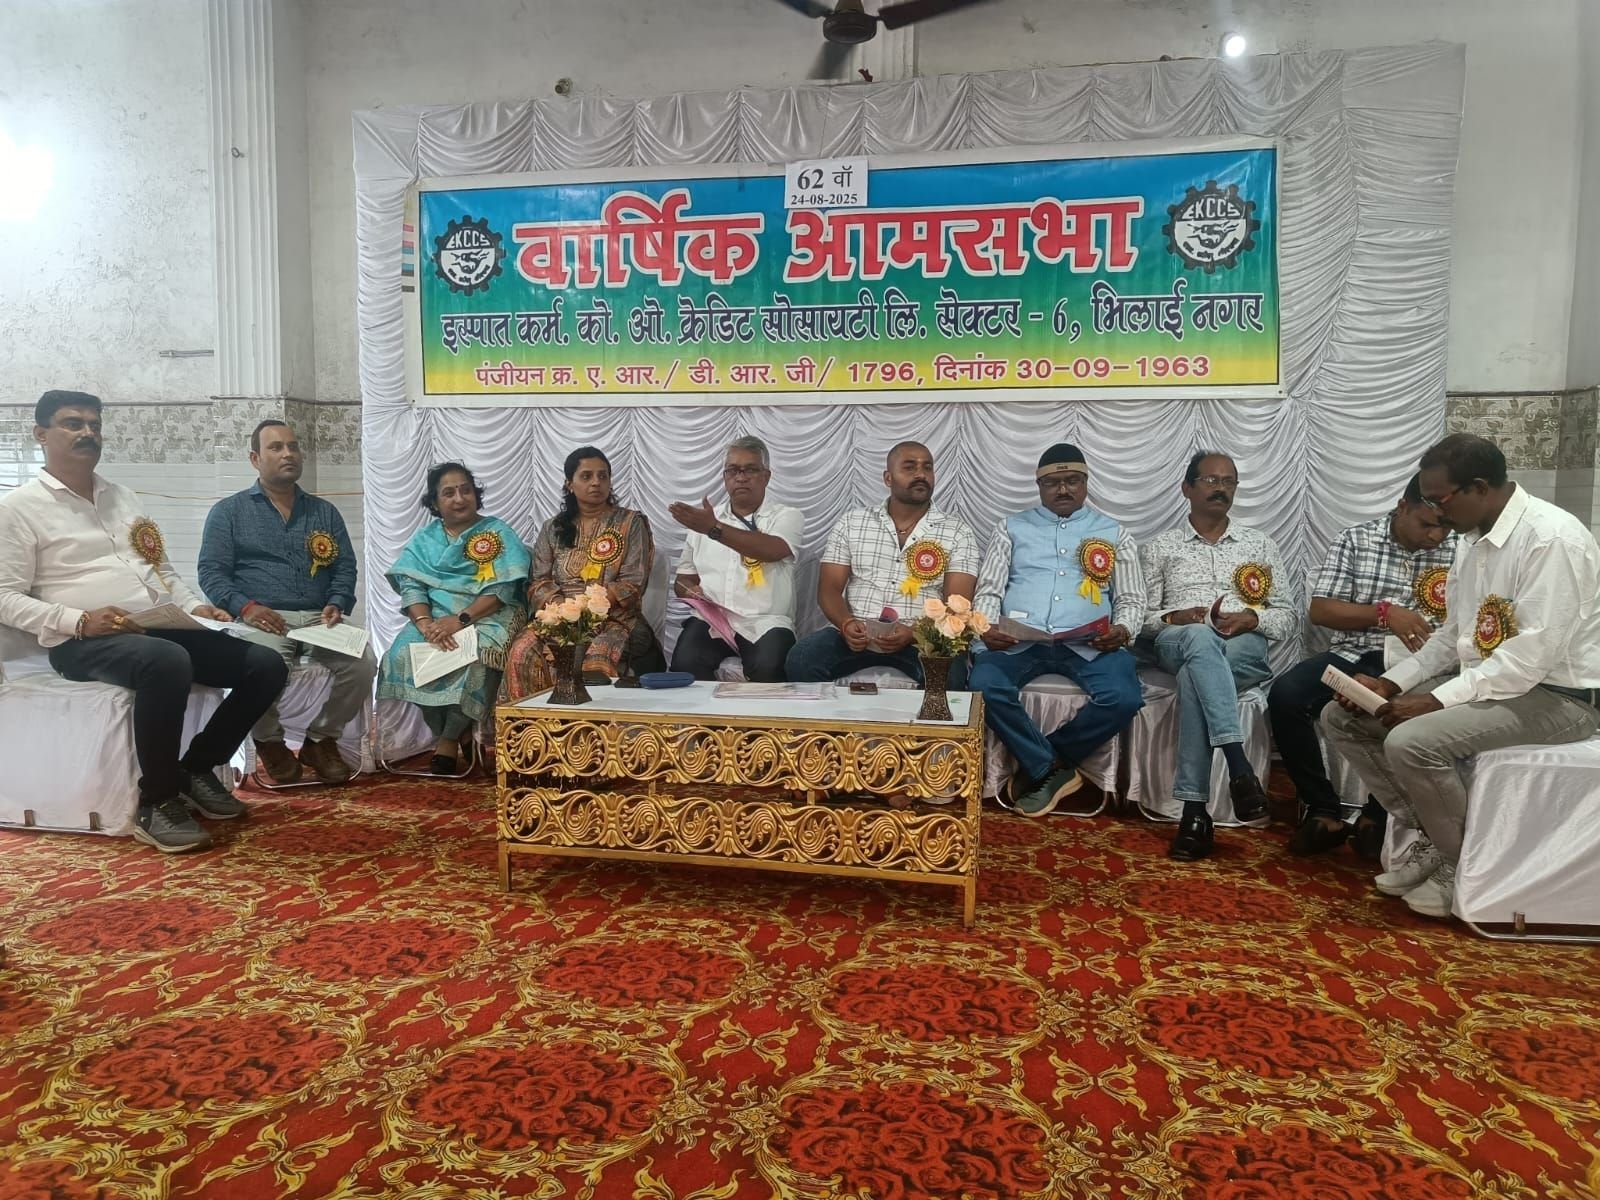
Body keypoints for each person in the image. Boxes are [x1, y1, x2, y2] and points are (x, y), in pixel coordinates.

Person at [1323, 434, 1600, 919]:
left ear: (1479, 487)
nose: (1435, 512)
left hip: (1559, 697)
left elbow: (1529, 660)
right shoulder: (1472, 541)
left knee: (1412, 741)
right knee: (1343, 717)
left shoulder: (1552, 539)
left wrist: (1436, 701)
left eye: (1440, 499)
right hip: (1494, 683)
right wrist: (1392, 684)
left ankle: (1460, 865)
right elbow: (1452, 636)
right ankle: (1437, 838)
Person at [0, 390, 287, 853]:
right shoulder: (18, 508)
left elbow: (161, 569)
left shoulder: (123, 497)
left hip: (156, 625)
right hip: (83, 640)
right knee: (166, 660)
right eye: (73, 424)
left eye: (94, 425)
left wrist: (194, 607)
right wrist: (77, 620)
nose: (88, 433)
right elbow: (4, 597)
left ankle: (196, 768)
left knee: (266, 664)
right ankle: (158, 801)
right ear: (40, 434)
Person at [1267, 475, 1455, 857]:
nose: (1436, 536)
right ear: (1403, 507)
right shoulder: (1357, 539)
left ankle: (1378, 815)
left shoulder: (1460, 552)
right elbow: (1321, 610)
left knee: (1404, 712)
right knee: (1286, 695)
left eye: (1444, 527)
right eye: (1426, 524)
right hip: (1354, 653)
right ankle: (1322, 809)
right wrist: (1384, 613)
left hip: (1419, 663)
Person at [969, 443, 1145, 815]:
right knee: (983, 685)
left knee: (1123, 697)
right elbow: (989, 590)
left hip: (1091, 643)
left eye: (1072, 481)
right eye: (1053, 483)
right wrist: (986, 627)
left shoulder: (1114, 532)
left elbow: (1131, 597)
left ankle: (1047, 765)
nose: (1063, 489)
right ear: (1039, 486)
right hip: (1021, 640)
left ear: (1086, 483)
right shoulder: (1011, 528)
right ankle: (1052, 767)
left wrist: (1124, 629)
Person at [199, 419, 377, 785]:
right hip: (262, 616)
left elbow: (345, 565)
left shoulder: (323, 512)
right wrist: (246, 608)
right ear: (255, 458)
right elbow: (211, 573)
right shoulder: (229, 512)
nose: (288, 454)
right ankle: (269, 741)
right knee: (262, 667)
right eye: (276, 447)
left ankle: (320, 740)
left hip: (318, 617)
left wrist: (337, 601)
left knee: (363, 663)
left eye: (293, 447)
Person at [1139, 451, 1293, 861]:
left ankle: (1194, 812)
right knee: (1197, 638)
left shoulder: (1259, 545)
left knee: (1197, 674)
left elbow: (1287, 618)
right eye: (1210, 480)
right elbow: (1140, 619)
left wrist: (1252, 618)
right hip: (1178, 640)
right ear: (1187, 488)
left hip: (1242, 647)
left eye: (1229, 481)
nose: (1220, 488)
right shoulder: (1160, 547)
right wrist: (1176, 616)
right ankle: (1238, 766)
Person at [785, 440, 980, 687]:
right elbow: (829, 590)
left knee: (949, 675)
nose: (921, 474)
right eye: (909, 467)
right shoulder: (852, 523)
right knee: (801, 659)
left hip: (922, 639)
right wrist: (846, 624)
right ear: (888, 478)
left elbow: (958, 605)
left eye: (927, 467)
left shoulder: (958, 532)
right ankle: (834, 716)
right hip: (858, 633)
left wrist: (914, 633)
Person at [377, 462, 530, 774]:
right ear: (435, 503)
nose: (459, 498)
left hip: (487, 615)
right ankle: (452, 732)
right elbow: (411, 585)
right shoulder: (425, 539)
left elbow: (503, 588)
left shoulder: (497, 533)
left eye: (465, 490)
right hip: (433, 619)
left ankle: (447, 740)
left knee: (473, 658)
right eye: (448, 493)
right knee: (400, 656)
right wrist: (425, 625)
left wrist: (460, 620)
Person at [499, 446, 664, 701]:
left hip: (614, 619)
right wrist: (563, 612)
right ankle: (532, 725)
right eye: (586, 476)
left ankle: (593, 726)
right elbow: (539, 582)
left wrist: (586, 613)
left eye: (603, 476)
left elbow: (632, 583)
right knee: (522, 652)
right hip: (559, 619)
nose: (596, 482)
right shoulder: (552, 528)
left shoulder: (630, 523)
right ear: (569, 484)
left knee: (594, 662)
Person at [668, 436, 804, 682]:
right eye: (733, 470)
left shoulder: (787, 516)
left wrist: (713, 529)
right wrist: (691, 591)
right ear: (724, 477)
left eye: (750, 469)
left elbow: (772, 550)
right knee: (684, 665)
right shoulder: (705, 521)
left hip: (766, 620)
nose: (741, 477)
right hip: (713, 619)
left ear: (766, 476)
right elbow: (683, 581)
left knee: (770, 667)